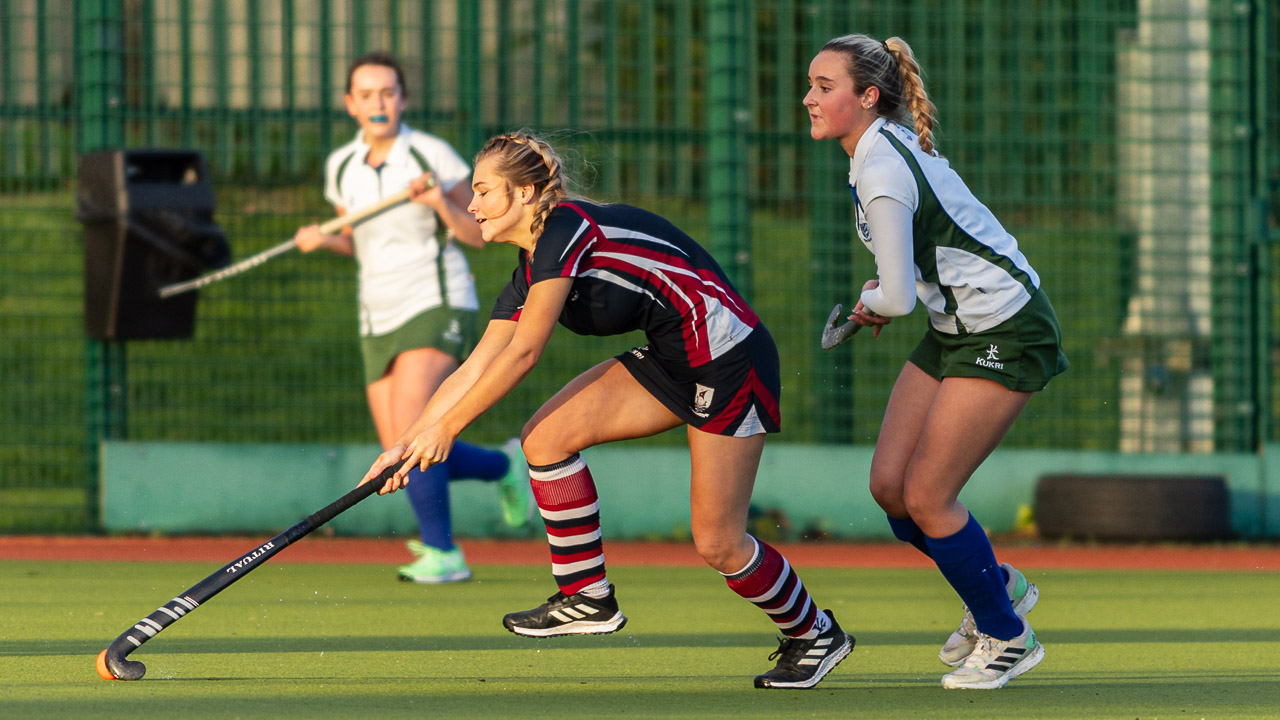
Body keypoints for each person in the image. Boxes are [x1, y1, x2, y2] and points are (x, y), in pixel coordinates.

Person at [361, 131, 854, 689]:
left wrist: (447, 430)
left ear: (525, 194)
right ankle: (586, 595)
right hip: (673, 356)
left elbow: (524, 352)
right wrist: (405, 444)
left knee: (718, 540)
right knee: (544, 438)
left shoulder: (566, 228)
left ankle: (815, 632)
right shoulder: (530, 267)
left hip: (727, 355)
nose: (470, 205)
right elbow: (474, 367)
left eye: (482, 191)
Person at [804, 34, 1069, 690]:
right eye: (809, 84)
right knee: (891, 490)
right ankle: (997, 585)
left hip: (1007, 327)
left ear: (868, 97)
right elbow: (908, 278)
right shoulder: (876, 146)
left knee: (927, 495)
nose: (808, 98)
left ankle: (1008, 636)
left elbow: (896, 292)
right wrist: (880, 301)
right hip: (957, 327)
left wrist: (876, 301)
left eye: (824, 86)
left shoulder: (880, 166)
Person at [293, 52, 530, 584]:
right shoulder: (342, 167)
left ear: (402, 99)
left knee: (412, 427)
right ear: (350, 104)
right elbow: (364, 246)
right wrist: (324, 239)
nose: (379, 103)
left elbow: (477, 235)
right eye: (367, 94)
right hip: (376, 312)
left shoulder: (432, 156)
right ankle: (504, 466)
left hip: (434, 298)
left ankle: (443, 553)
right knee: (403, 447)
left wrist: (440, 204)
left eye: (388, 92)